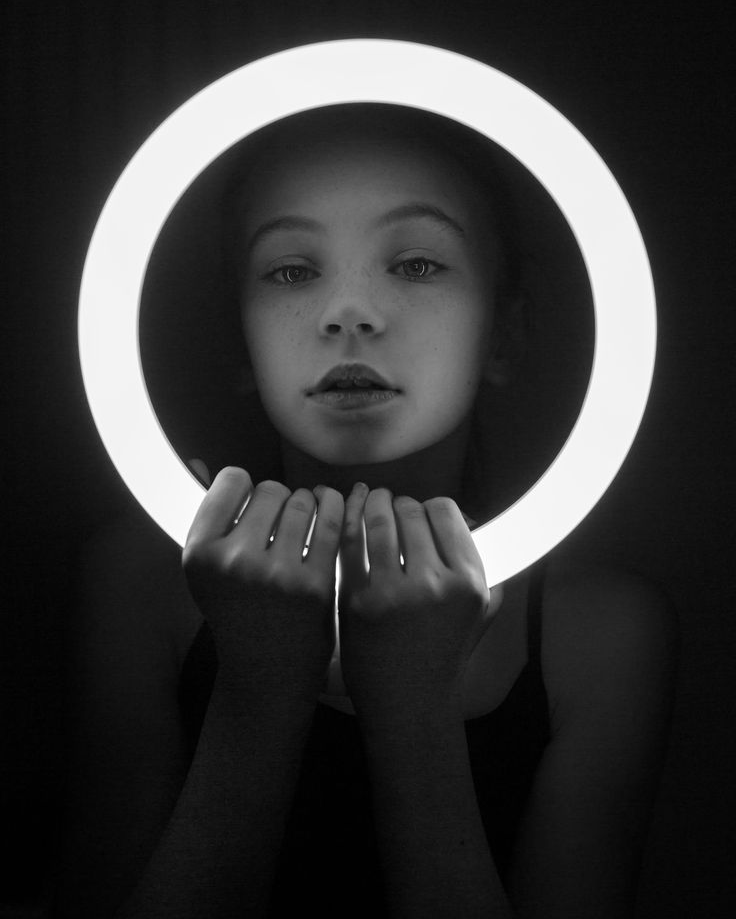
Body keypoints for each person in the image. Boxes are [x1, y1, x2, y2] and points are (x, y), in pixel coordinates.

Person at [55, 106, 679, 918]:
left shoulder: (603, 634)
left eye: (417, 264)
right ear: (239, 343)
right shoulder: (140, 581)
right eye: (290, 270)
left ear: (504, 335)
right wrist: (261, 677)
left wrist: (413, 704)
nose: (350, 312)